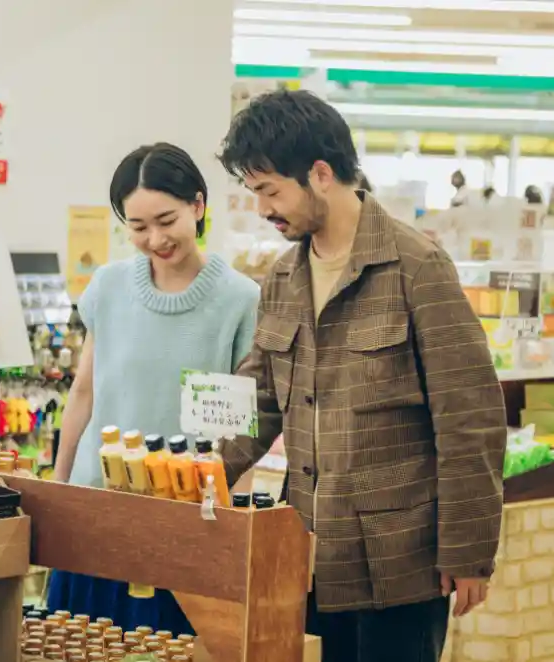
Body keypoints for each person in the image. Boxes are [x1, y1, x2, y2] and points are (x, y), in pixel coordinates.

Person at [217, 90, 506, 662]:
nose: (262, 209)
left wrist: (470, 552)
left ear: (320, 174)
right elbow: (257, 400)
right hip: (309, 550)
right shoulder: (283, 278)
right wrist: (192, 473)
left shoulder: (416, 267)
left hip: (401, 560)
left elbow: (468, 416)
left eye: (270, 191)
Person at [50, 142, 260, 630]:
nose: (155, 238)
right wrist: (58, 487)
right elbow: (84, 392)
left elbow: (241, 426)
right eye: (138, 227)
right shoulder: (109, 286)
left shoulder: (239, 300)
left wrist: (233, 525)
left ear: (198, 205)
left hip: (182, 521)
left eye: (166, 221)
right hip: (95, 507)